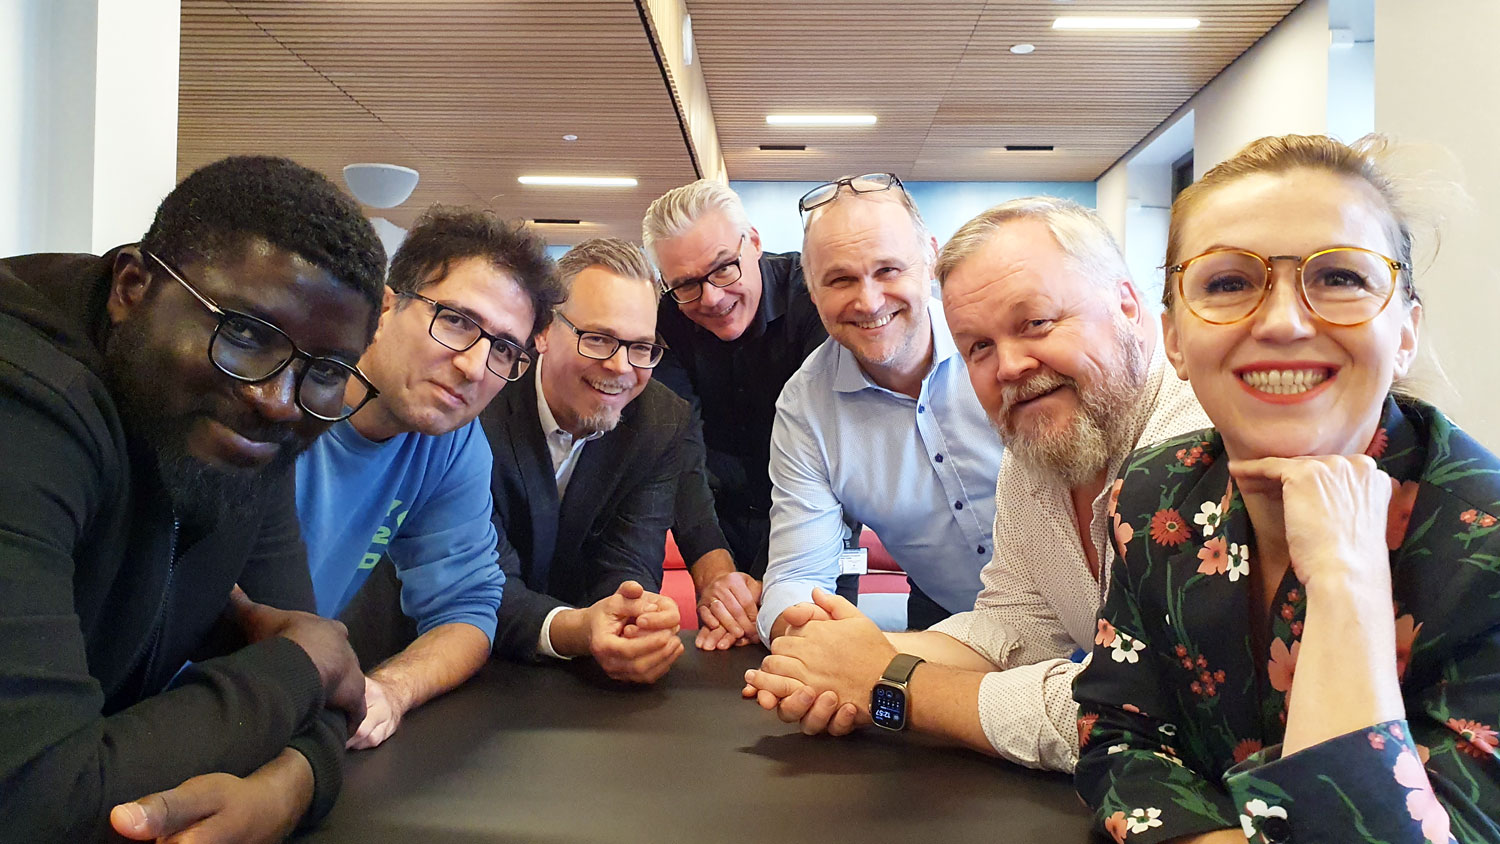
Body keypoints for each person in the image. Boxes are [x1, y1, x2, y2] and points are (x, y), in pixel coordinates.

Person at [1074, 134, 1500, 843]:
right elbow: (1120, 741)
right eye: (1228, 283)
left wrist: (1347, 582)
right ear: (1174, 340)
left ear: (1405, 333)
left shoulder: (1485, 541)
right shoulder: (1152, 498)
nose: (1283, 322)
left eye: (1340, 277)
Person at [743, 198, 1209, 770]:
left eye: (1035, 322)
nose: (1009, 366)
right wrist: (838, 660)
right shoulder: (1032, 457)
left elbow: (1150, 708)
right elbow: (1014, 625)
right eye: (980, 347)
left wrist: (893, 686)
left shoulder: (1199, 445)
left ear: (1128, 304)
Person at [0, 156, 385, 842]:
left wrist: (293, 784)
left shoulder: (258, 424)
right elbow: (31, 801)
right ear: (131, 287)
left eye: (325, 371)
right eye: (243, 332)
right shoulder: (23, 404)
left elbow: (327, 672)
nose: (276, 400)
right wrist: (296, 671)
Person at [296, 206, 563, 749]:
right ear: (386, 306)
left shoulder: (453, 443)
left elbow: (466, 610)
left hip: (283, 706)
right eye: (458, 320)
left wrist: (391, 689)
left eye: (504, 348)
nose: (473, 366)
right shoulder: (280, 405)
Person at [755, 174, 1004, 643]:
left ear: (930, 258)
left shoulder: (1006, 347)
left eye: (888, 270)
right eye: (840, 279)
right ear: (811, 290)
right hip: (951, 626)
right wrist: (814, 642)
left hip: (1098, 614)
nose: (868, 302)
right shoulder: (806, 407)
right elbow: (795, 575)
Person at [484, 237, 713, 682]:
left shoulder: (660, 421)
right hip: (466, 661)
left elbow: (630, 561)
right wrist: (580, 629)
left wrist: (630, 618)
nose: (622, 367)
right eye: (598, 338)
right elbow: (480, 582)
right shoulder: (482, 402)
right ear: (544, 330)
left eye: (641, 347)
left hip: (586, 683)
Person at [644, 179, 828, 648]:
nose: (710, 298)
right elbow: (678, 447)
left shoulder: (815, 301)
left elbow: (824, 445)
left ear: (756, 242)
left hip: (814, 523)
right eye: (685, 284)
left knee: (815, 661)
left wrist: (773, 581)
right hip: (712, 519)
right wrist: (716, 577)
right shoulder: (664, 322)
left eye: (724, 268)